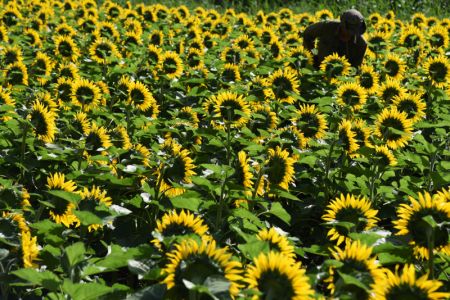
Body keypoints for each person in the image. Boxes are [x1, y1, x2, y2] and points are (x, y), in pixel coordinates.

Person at [302, 9, 367, 68]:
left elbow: (355, 68)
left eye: (354, 32)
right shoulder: (327, 26)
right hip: (317, 66)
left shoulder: (361, 44)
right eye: (349, 30)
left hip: (342, 75)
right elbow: (307, 33)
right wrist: (312, 54)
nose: (350, 34)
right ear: (342, 24)